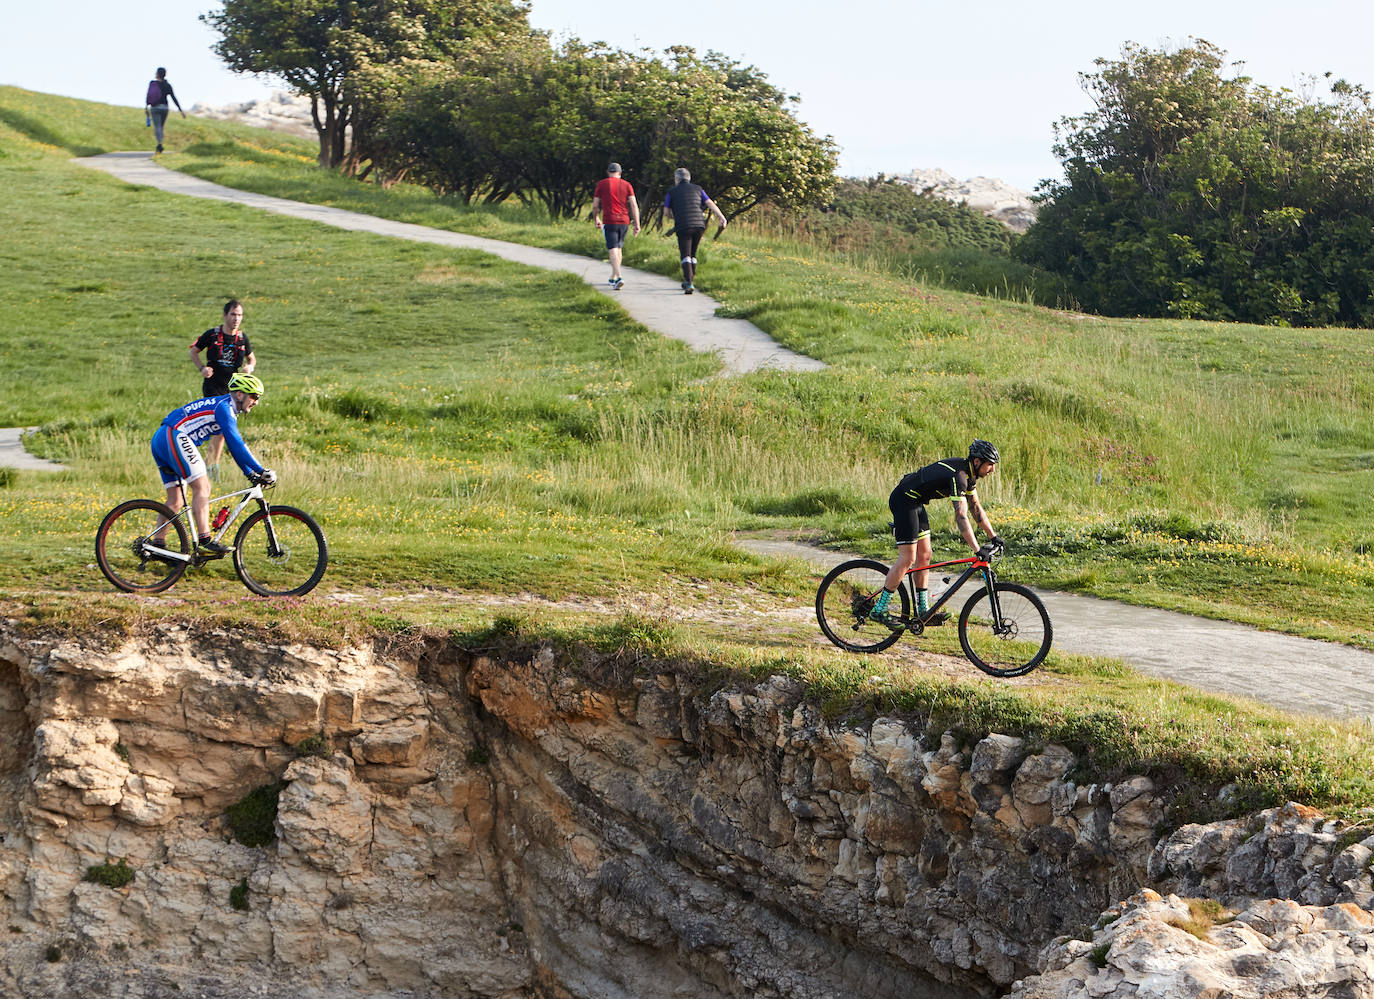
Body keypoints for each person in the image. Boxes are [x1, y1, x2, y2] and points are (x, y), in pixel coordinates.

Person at [870, 440, 1005, 625]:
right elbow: (961, 516)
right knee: (908, 558)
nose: (992, 470)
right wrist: (976, 549)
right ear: (976, 462)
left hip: (916, 502)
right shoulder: (959, 476)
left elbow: (975, 507)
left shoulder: (970, 476)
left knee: (925, 555)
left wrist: (994, 536)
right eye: (990, 464)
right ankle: (879, 609)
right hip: (903, 499)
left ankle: (923, 611)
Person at [147, 373, 274, 557]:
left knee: (175, 501)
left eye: (258, 398)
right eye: (254, 396)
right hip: (174, 436)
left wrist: (250, 473)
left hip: (163, 438)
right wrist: (261, 470)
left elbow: (235, 447)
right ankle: (205, 541)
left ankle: (158, 545)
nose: (256, 402)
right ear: (239, 395)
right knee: (203, 487)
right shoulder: (224, 408)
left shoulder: (226, 407)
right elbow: (236, 444)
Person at [189, 300, 256, 478]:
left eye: (240, 315)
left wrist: (249, 368)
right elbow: (193, 351)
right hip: (213, 386)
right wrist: (202, 368)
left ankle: (210, 465)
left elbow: (251, 359)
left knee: (221, 429)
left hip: (233, 388)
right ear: (225, 315)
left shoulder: (242, 339)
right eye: (233, 314)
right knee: (220, 427)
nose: (236, 319)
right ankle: (210, 467)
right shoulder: (212, 335)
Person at [663, 167, 727, 294]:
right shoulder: (698, 189)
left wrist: (675, 216)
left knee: (685, 254)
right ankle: (690, 280)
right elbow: (709, 203)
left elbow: (666, 212)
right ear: (689, 178)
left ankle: (689, 282)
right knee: (693, 253)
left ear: (677, 179)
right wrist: (721, 216)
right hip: (699, 224)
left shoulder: (672, 192)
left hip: (683, 225)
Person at [591, 162, 641, 289]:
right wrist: (637, 223)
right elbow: (634, 205)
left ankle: (619, 276)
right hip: (624, 220)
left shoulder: (602, 184)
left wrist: (596, 217)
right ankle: (613, 277)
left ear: (608, 172)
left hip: (609, 220)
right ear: (620, 173)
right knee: (618, 248)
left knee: (612, 249)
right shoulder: (627, 185)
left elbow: (595, 205)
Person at [145, 67, 185, 154]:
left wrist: (146, 107)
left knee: (157, 127)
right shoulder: (167, 85)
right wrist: (180, 110)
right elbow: (174, 98)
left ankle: (159, 144)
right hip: (165, 108)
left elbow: (149, 95)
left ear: (157, 74)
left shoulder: (153, 83)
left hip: (155, 108)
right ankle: (160, 143)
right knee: (161, 127)